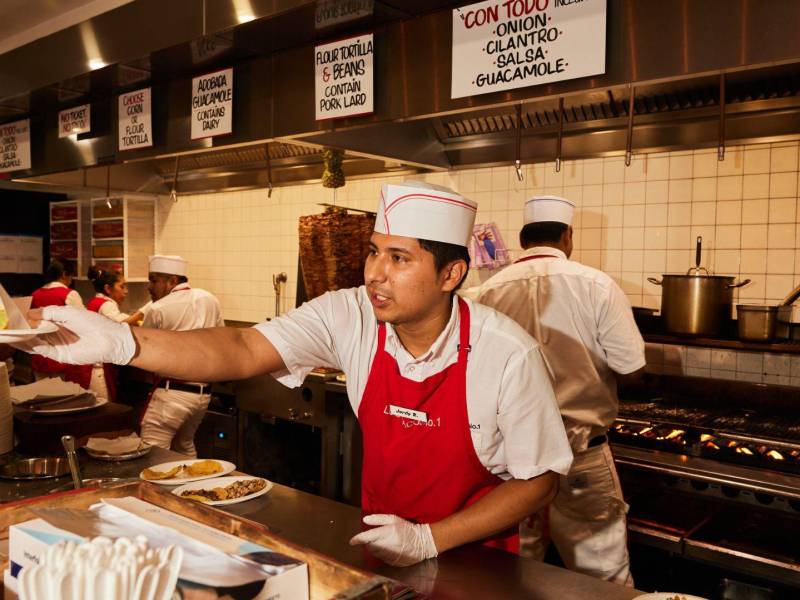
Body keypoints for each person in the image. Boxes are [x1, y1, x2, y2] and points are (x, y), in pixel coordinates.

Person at [17, 182, 572, 568]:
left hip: (477, 558)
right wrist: (124, 342)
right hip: (379, 538)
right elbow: (239, 346)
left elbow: (539, 479)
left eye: (400, 259)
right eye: (374, 252)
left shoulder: (506, 354)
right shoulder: (350, 314)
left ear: (451, 273)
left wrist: (430, 540)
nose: (375, 273)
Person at [465, 195, 645, 586]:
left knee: (517, 571)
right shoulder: (597, 285)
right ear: (567, 236)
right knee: (603, 577)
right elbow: (631, 368)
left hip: (515, 457)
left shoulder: (489, 292)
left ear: (522, 239)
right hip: (580, 455)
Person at [138, 255, 224, 456]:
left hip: (172, 393)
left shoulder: (158, 308)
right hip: (202, 396)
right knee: (183, 447)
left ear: (173, 281)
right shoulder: (209, 299)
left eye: (154, 280)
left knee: (151, 452)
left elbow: (144, 348)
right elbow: (222, 339)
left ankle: (154, 489)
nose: (149, 287)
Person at [72, 266, 149, 401]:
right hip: (95, 370)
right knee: (101, 410)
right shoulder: (105, 304)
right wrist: (146, 309)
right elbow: (122, 323)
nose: (126, 291)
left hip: (89, 364)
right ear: (108, 289)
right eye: (122, 287)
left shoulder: (97, 302)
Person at [29, 258, 84, 381]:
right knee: (65, 397)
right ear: (64, 274)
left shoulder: (35, 294)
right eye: (71, 276)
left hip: (40, 356)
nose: (71, 280)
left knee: (42, 396)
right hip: (63, 355)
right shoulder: (69, 294)